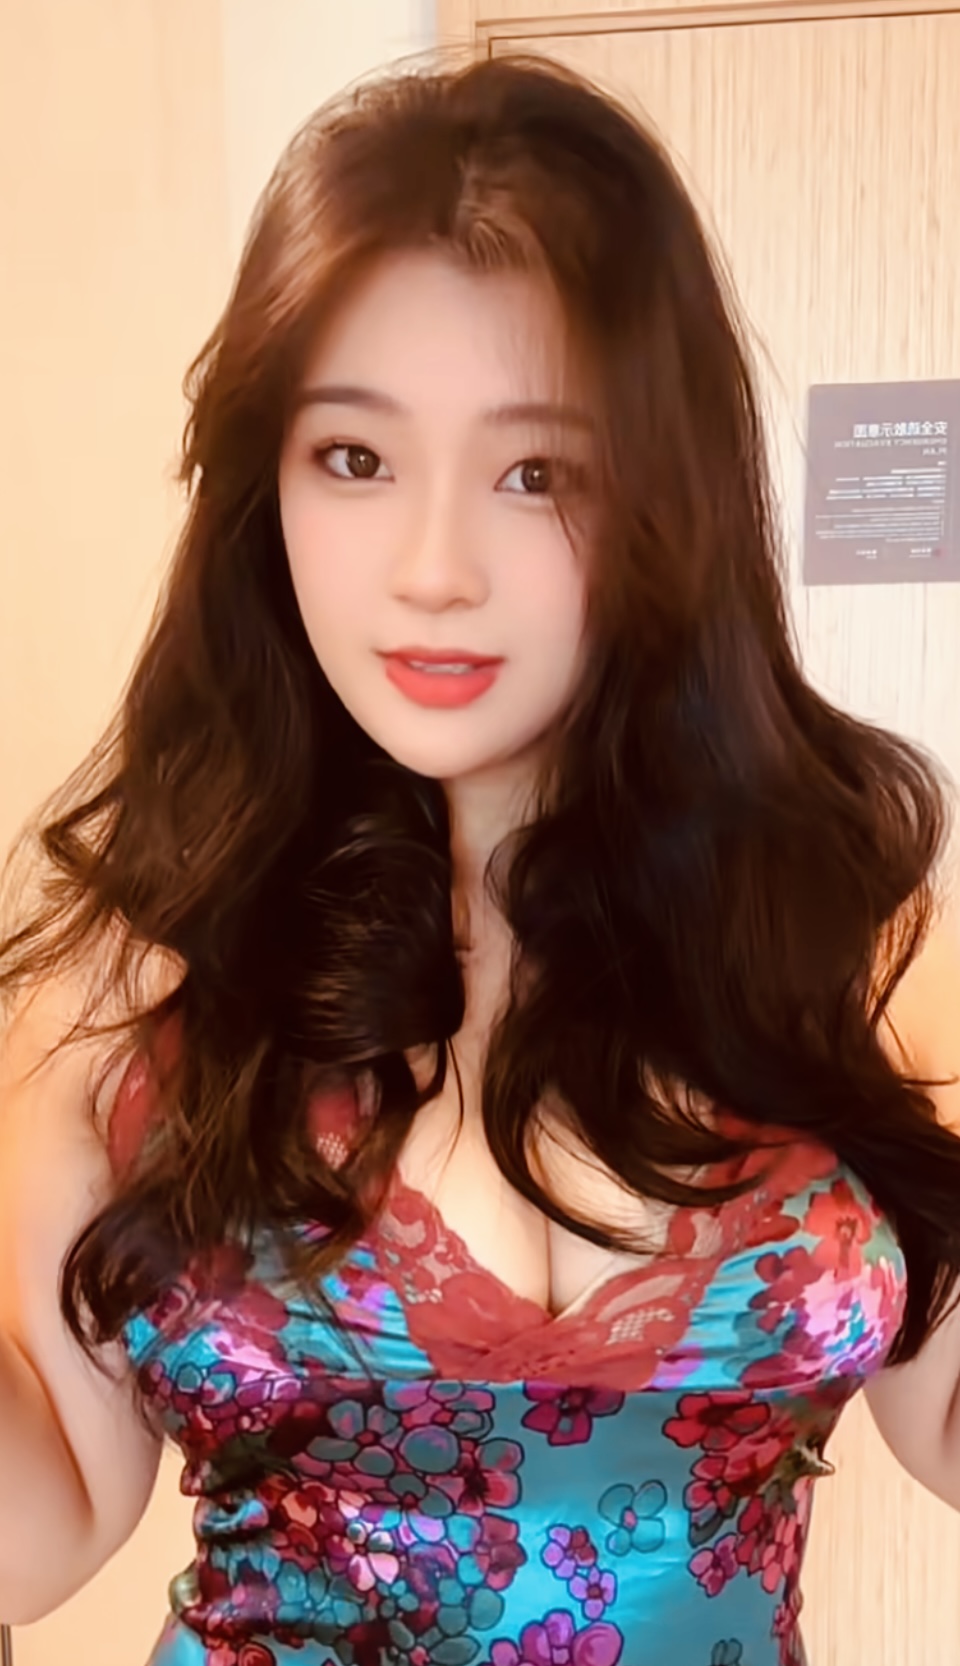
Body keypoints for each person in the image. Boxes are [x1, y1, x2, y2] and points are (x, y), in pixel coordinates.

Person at [1, 48, 960, 1666]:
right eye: (354, 458)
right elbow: (47, 1524)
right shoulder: (138, 970)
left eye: (537, 473)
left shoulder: (858, 943)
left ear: (665, 503)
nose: (432, 567)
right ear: (264, 485)